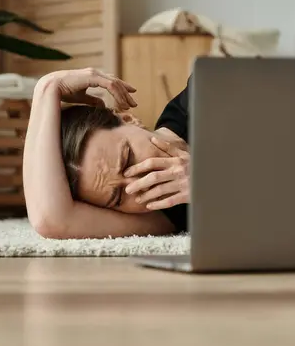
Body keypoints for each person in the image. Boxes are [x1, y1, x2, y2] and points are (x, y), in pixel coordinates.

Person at [23, 68, 190, 239]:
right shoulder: (163, 210)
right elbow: (50, 220)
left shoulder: (202, 98)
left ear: (128, 119)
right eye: (118, 197)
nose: (140, 184)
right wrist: (47, 88)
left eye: (127, 160)